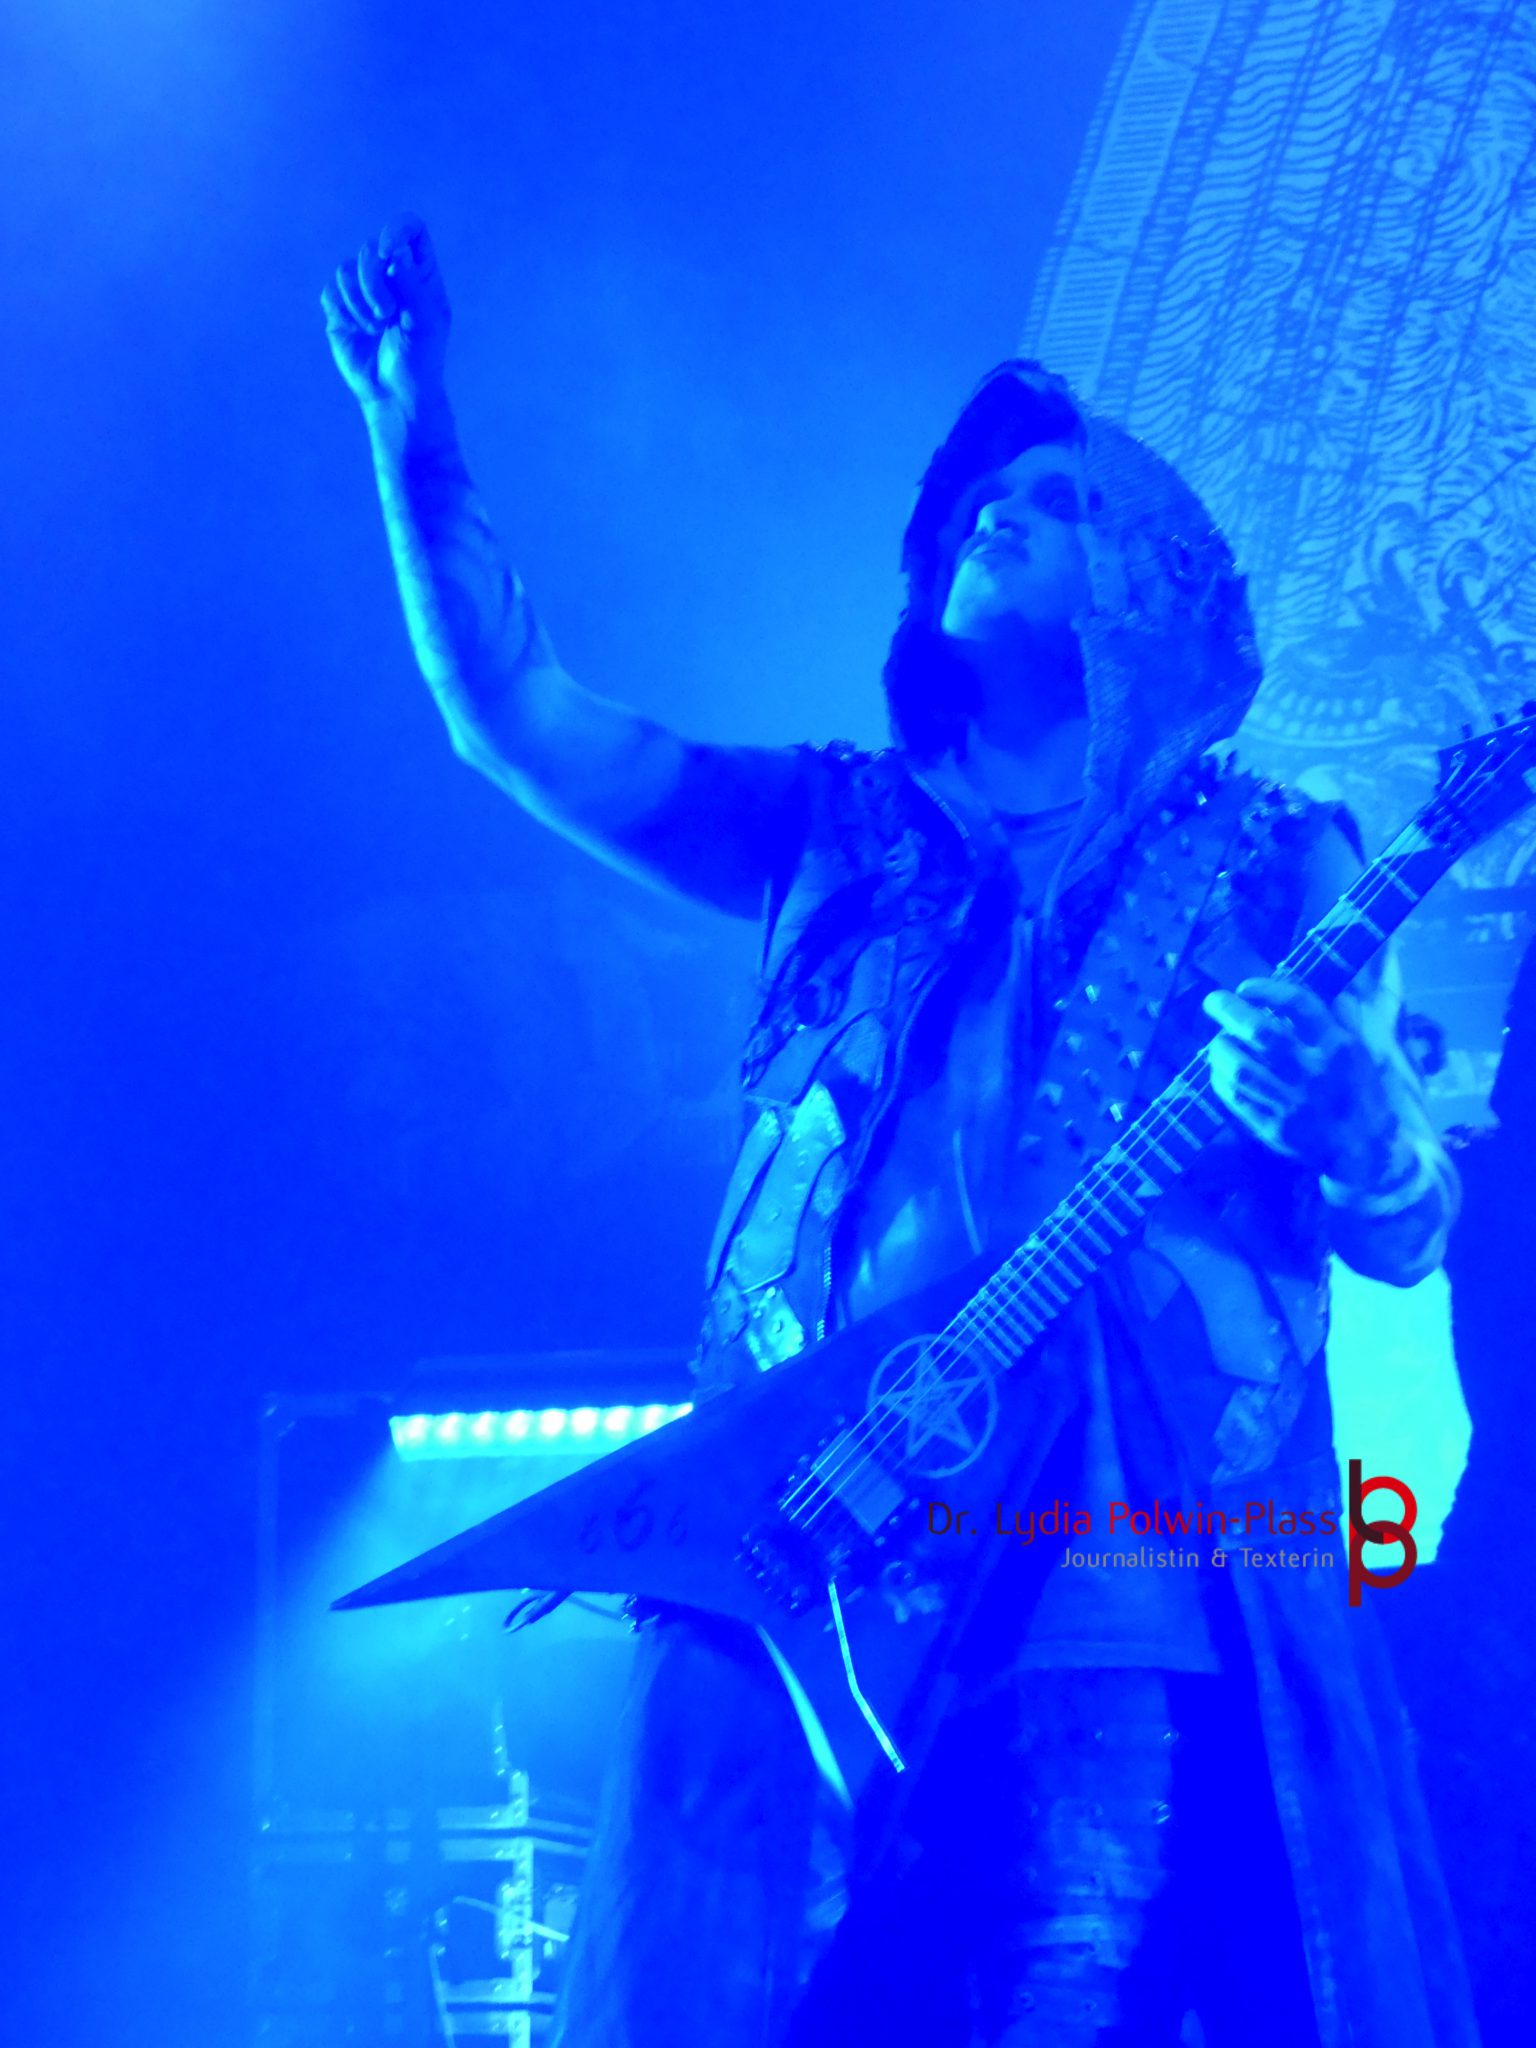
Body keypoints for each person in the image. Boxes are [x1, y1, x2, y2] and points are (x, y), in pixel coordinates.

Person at [323, 217, 1482, 2048]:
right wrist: (414, 441)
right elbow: (523, 725)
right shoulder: (829, 829)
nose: (993, 516)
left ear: (1153, 588)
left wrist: (1359, 1127)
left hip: (1106, 1597)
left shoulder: (1279, 859)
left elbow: (1407, 1223)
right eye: (979, 502)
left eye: (1056, 500)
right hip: (807, 1550)